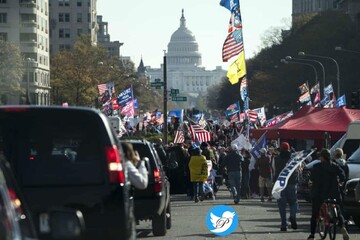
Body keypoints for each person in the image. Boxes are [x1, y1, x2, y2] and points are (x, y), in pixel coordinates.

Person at [307, 148, 349, 240]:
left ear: (322, 157)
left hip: (318, 193)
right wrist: (340, 182)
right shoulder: (334, 165)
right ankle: (342, 227)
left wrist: (311, 182)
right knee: (338, 210)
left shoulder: (317, 166)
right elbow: (342, 175)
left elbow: (312, 178)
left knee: (314, 214)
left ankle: (312, 235)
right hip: (333, 192)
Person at [274, 142, 298, 231]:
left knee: (282, 205)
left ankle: (284, 225)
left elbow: (274, 170)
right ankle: (292, 216)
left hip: (280, 184)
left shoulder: (276, 158)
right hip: (291, 183)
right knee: (293, 202)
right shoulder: (294, 159)